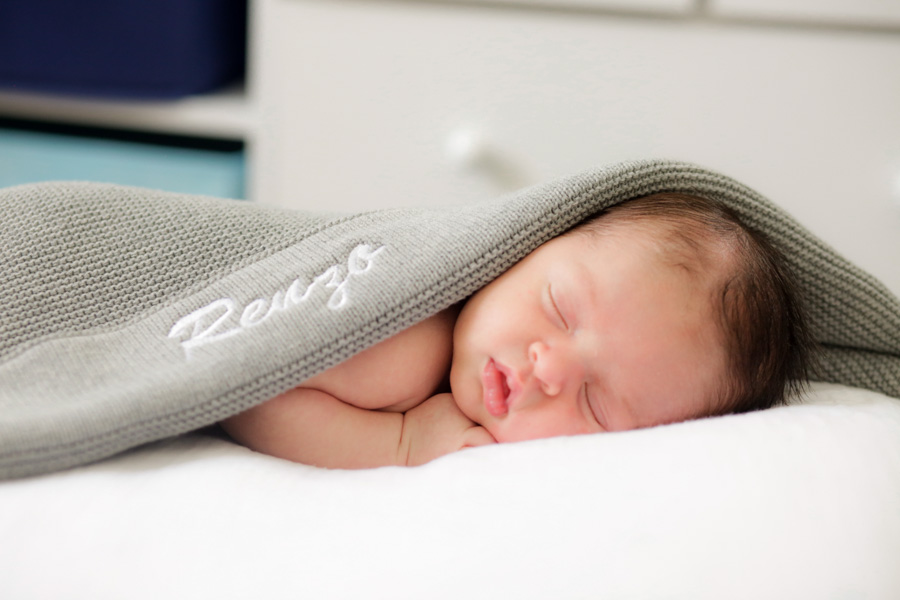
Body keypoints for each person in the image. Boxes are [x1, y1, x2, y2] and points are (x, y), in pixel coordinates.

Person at [221, 192, 815, 468]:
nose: (549, 368)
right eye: (559, 309)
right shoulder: (408, 347)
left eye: (597, 404)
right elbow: (249, 382)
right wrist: (400, 443)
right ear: (532, 242)